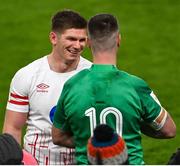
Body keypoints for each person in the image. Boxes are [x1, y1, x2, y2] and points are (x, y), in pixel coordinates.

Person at [52, 13, 176, 164]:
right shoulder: (135, 86)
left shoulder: (72, 86)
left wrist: (91, 144)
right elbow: (169, 130)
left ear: (89, 42)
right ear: (118, 40)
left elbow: (58, 136)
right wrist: (136, 125)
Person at [3, 9, 92, 165]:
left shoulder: (93, 75)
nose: (77, 46)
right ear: (53, 38)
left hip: (81, 161)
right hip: (37, 161)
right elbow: (13, 128)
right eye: (71, 39)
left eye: (82, 40)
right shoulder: (28, 75)